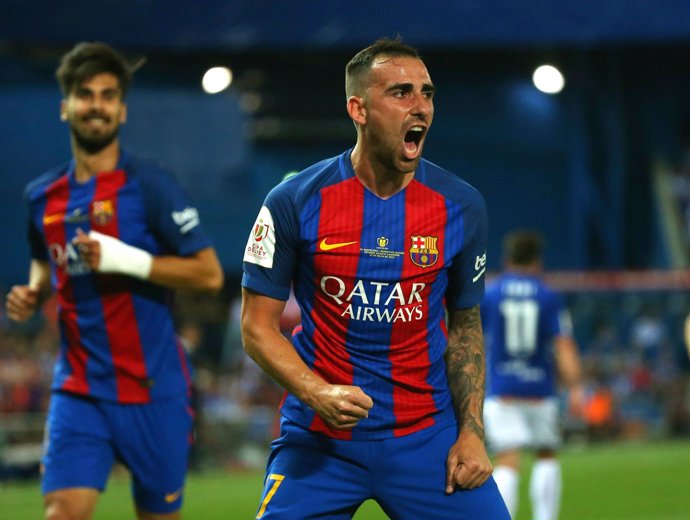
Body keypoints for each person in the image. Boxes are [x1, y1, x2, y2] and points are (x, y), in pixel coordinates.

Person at [241, 37, 509, 520]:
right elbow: (256, 327)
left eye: (427, 93)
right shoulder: (293, 201)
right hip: (319, 441)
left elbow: (466, 327)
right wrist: (316, 392)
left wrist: (472, 432)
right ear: (358, 109)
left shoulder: (462, 206)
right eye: (401, 92)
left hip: (426, 438)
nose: (420, 106)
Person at [5, 42, 224, 520]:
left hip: (155, 391)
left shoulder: (150, 185)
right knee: (62, 513)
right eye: (86, 94)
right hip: (80, 389)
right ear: (66, 107)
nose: (97, 105)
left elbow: (208, 273)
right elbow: (44, 256)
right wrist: (34, 289)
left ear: (122, 110)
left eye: (108, 95)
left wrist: (127, 259)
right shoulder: (42, 196)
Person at [480, 230, 584, 520]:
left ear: (507, 258)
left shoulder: (490, 292)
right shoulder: (548, 295)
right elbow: (563, 344)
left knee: (507, 458)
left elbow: (470, 337)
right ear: (537, 260)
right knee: (547, 452)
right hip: (540, 389)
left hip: (502, 388)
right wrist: (575, 387)